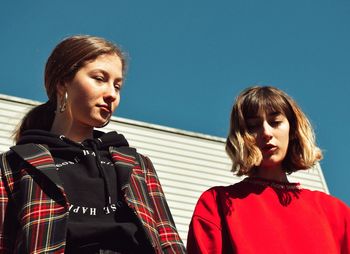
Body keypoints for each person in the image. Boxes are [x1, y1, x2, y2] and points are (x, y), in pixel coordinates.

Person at [0, 35, 185, 253]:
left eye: (117, 85)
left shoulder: (137, 164)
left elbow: (169, 241)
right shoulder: (15, 164)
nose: (111, 94)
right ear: (62, 82)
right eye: (99, 79)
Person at [187, 86, 350, 253]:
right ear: (241, 136)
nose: (266, 132)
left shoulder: (336, 213)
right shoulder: (215, 203)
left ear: (292, 129)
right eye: (253, 126)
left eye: (275, 122)